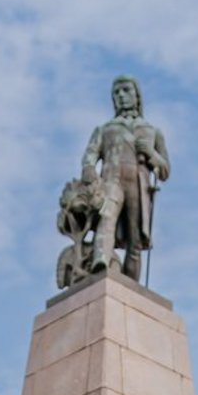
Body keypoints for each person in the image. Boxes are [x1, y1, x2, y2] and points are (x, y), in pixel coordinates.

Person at [81, 75, 170, 280]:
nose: (121, 96)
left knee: (135, 239)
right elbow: (89, 156)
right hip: (111, 180)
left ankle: (130, 285)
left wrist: (151, 154)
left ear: (137, 96)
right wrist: (89, 170)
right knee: (107, 217)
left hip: (138, 186)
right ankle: (101, 262)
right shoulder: (105, 129)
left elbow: (165, 170)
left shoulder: (152, 131)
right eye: (116, 93)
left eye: (126, 90)